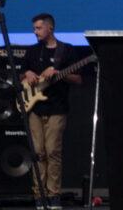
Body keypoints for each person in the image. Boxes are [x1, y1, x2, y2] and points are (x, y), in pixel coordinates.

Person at [20, 13, 82, 210]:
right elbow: (21, 74)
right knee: (38, 153)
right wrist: (27, 73)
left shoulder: (66, 50)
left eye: (38, 28)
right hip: (35, 109)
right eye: (34, 28)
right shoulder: (31, 51)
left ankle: (53, 196)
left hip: (57, 107)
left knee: (53, 151)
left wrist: (59, 74)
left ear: (50, 28)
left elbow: (79, 79)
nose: (35, 32)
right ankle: (39, 196)